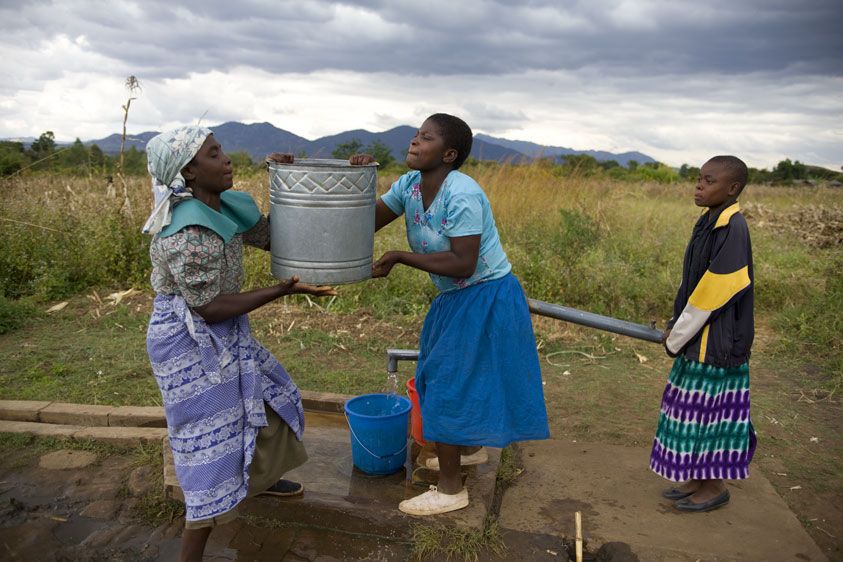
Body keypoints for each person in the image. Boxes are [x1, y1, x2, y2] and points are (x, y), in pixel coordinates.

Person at [142, 126, 335, 562]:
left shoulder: (223, 206)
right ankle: (196, 537)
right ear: (189, 171)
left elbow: (271, 238)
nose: (226, 159)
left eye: (222, 150)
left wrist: (282, 178)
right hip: (188, 341)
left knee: (265, 396)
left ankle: (259, 479)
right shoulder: (186, 231)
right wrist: (281, 292)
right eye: (214, 154)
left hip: (224, 328)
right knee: (208, 442)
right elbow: (208, 307)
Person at [351, 113, 549, 516]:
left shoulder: (462, 194)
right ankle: (469, 449)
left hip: (484, 296)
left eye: (425, 138)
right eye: (415, 135)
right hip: (457, 300)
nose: (414, 142)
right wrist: (359, 184)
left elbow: (463, 263)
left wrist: (400, 256)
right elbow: (366, 221)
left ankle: (451, 489)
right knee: (451, 378)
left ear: (449, 153)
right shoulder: (409, 185)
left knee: (444, 383)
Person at [650, 155, 757, 513]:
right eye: (698, 179)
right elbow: (691, 283)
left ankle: (715, 486)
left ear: (732, 189)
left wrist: (677, 336)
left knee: (712, 415)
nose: (699, 186)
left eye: (708, 181)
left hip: (717, 344)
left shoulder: (733, 228)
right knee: (690, 412)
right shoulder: (708, 222)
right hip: (697, 338)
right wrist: (674, 322)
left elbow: (715, 292)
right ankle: (697, 478)